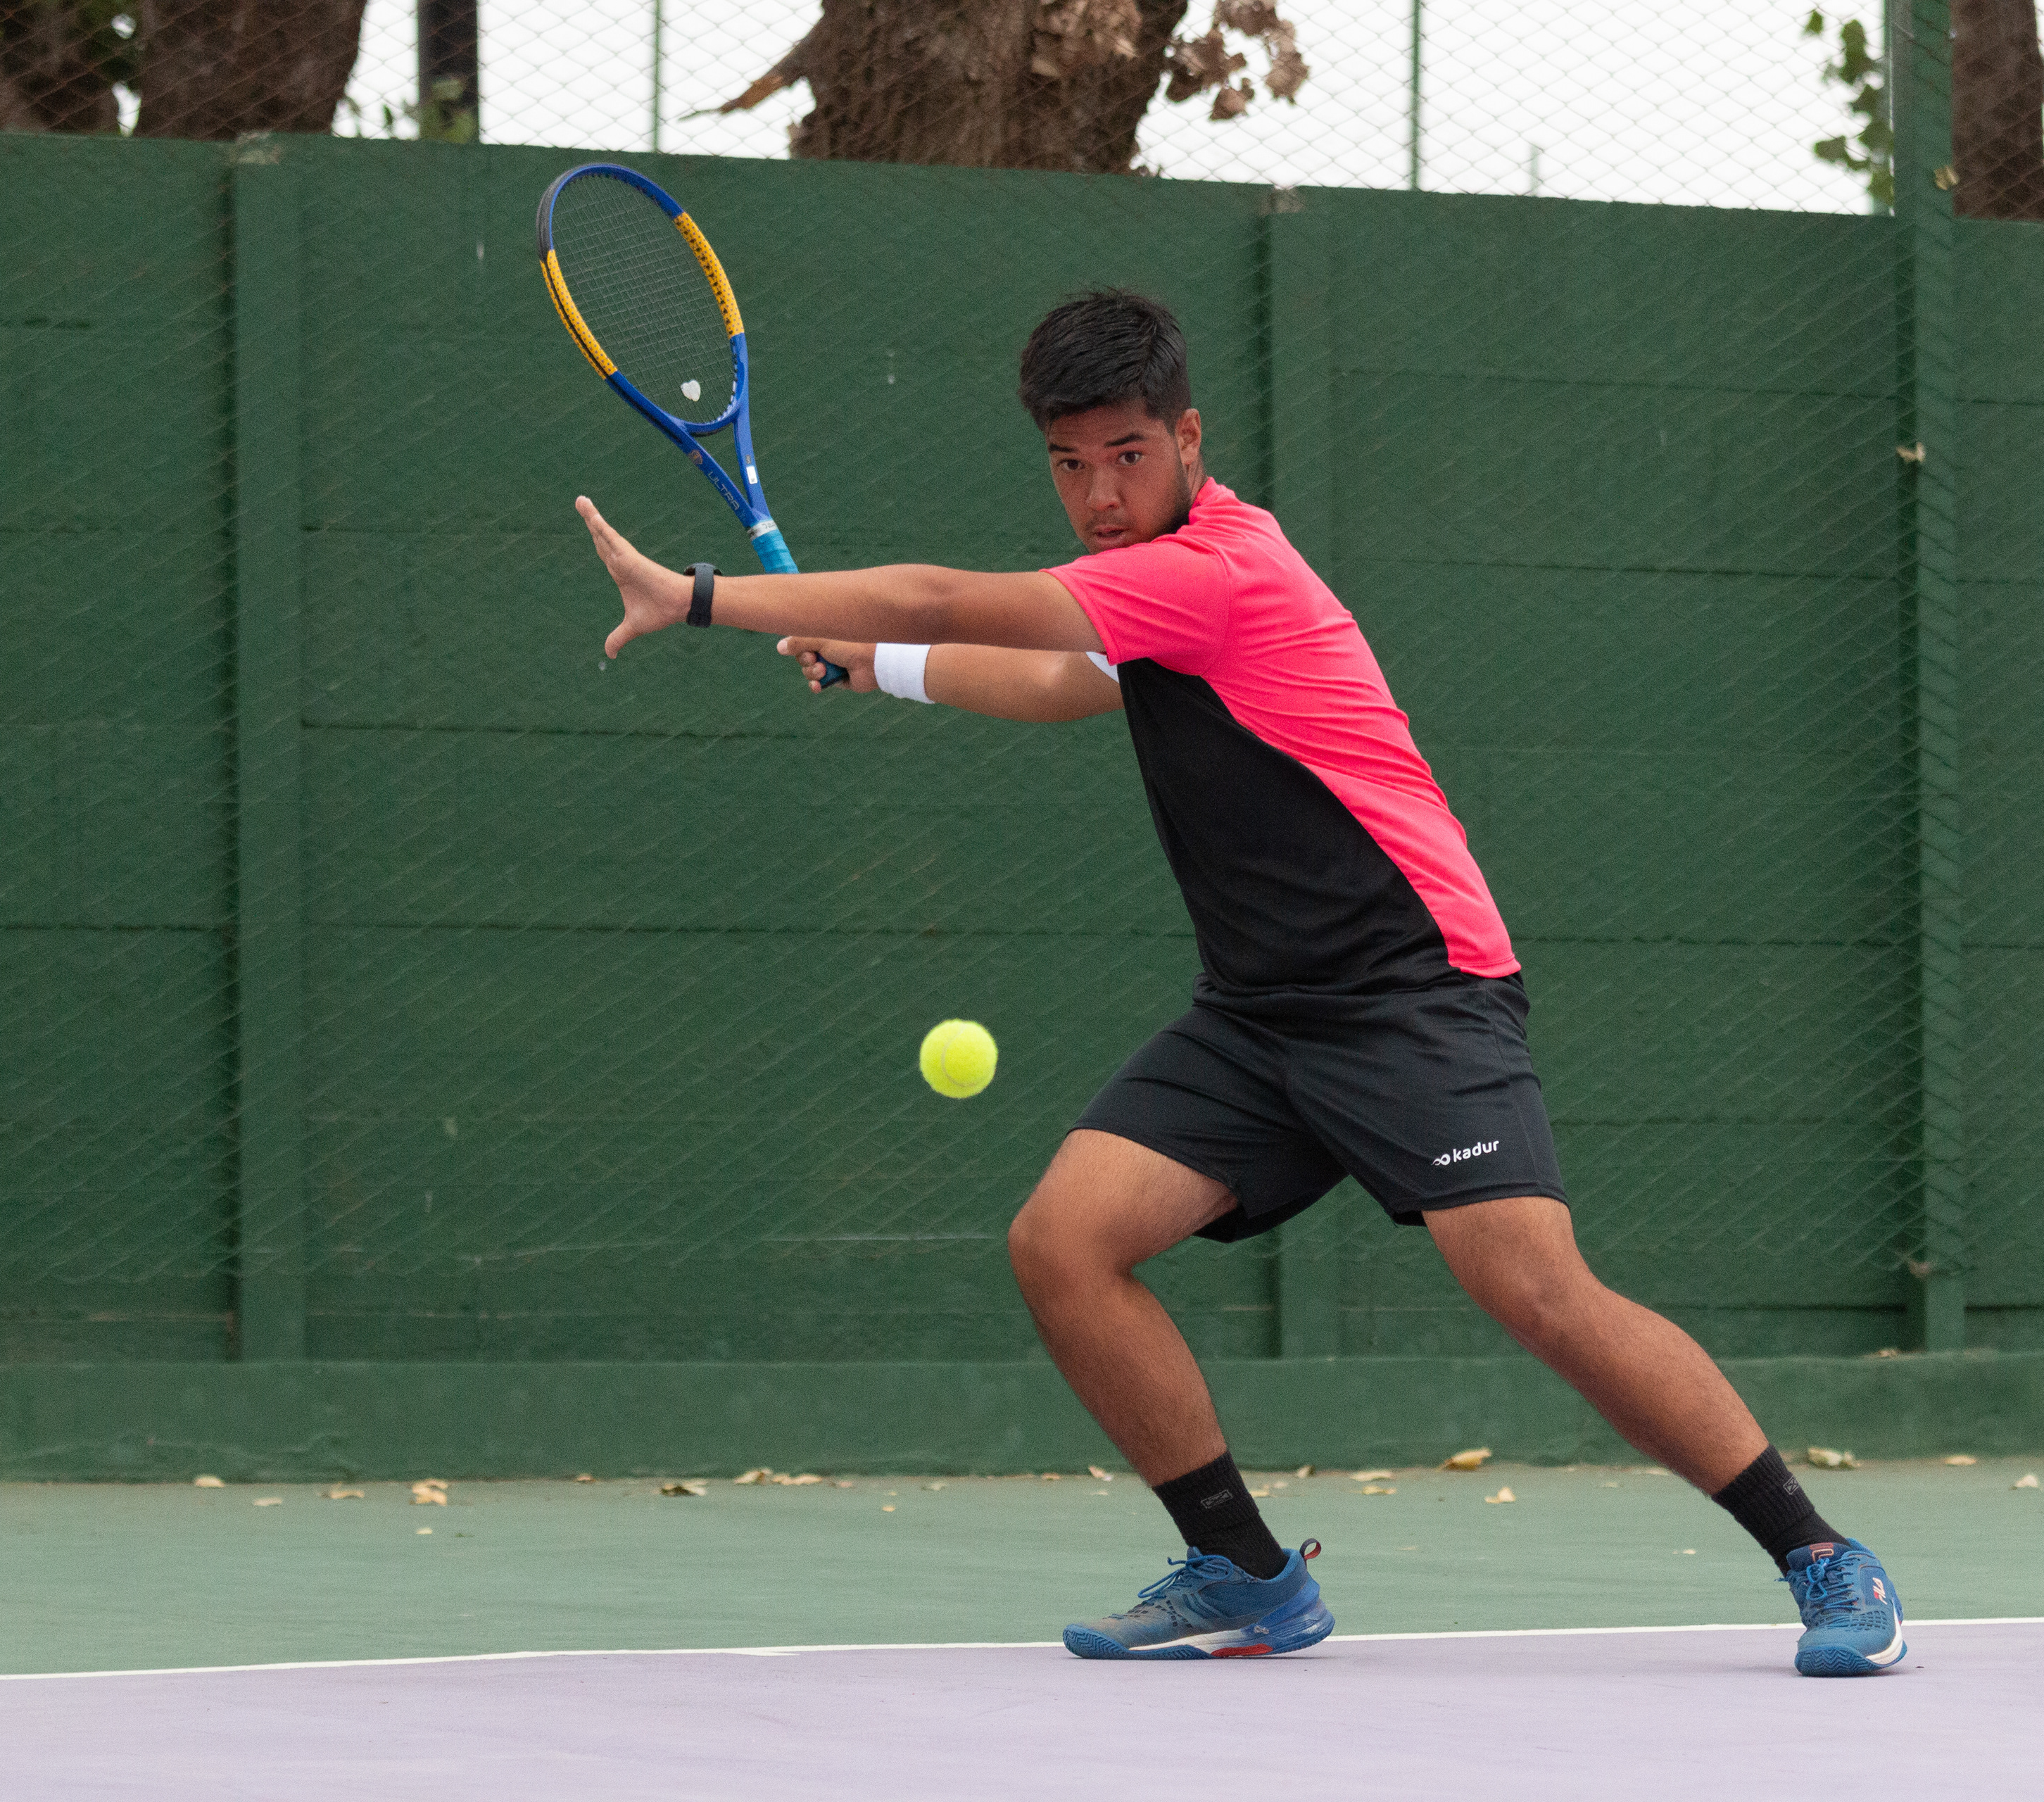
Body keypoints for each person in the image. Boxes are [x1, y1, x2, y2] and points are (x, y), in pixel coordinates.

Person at [574, 289, 1907, 1676]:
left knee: (1536, 1289)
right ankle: (1246, 1571)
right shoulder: (1155, 586)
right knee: (1065, 1241)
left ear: (1189, 435)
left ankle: (1821, 1552)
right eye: (1070, 463)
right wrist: (889, 671)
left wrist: (699, 598)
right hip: (1262, 1010)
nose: (1099, 492)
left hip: (1411, 984)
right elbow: (1066, 678)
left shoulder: (1223, 568)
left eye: (1129, 455)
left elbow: (942, 595)